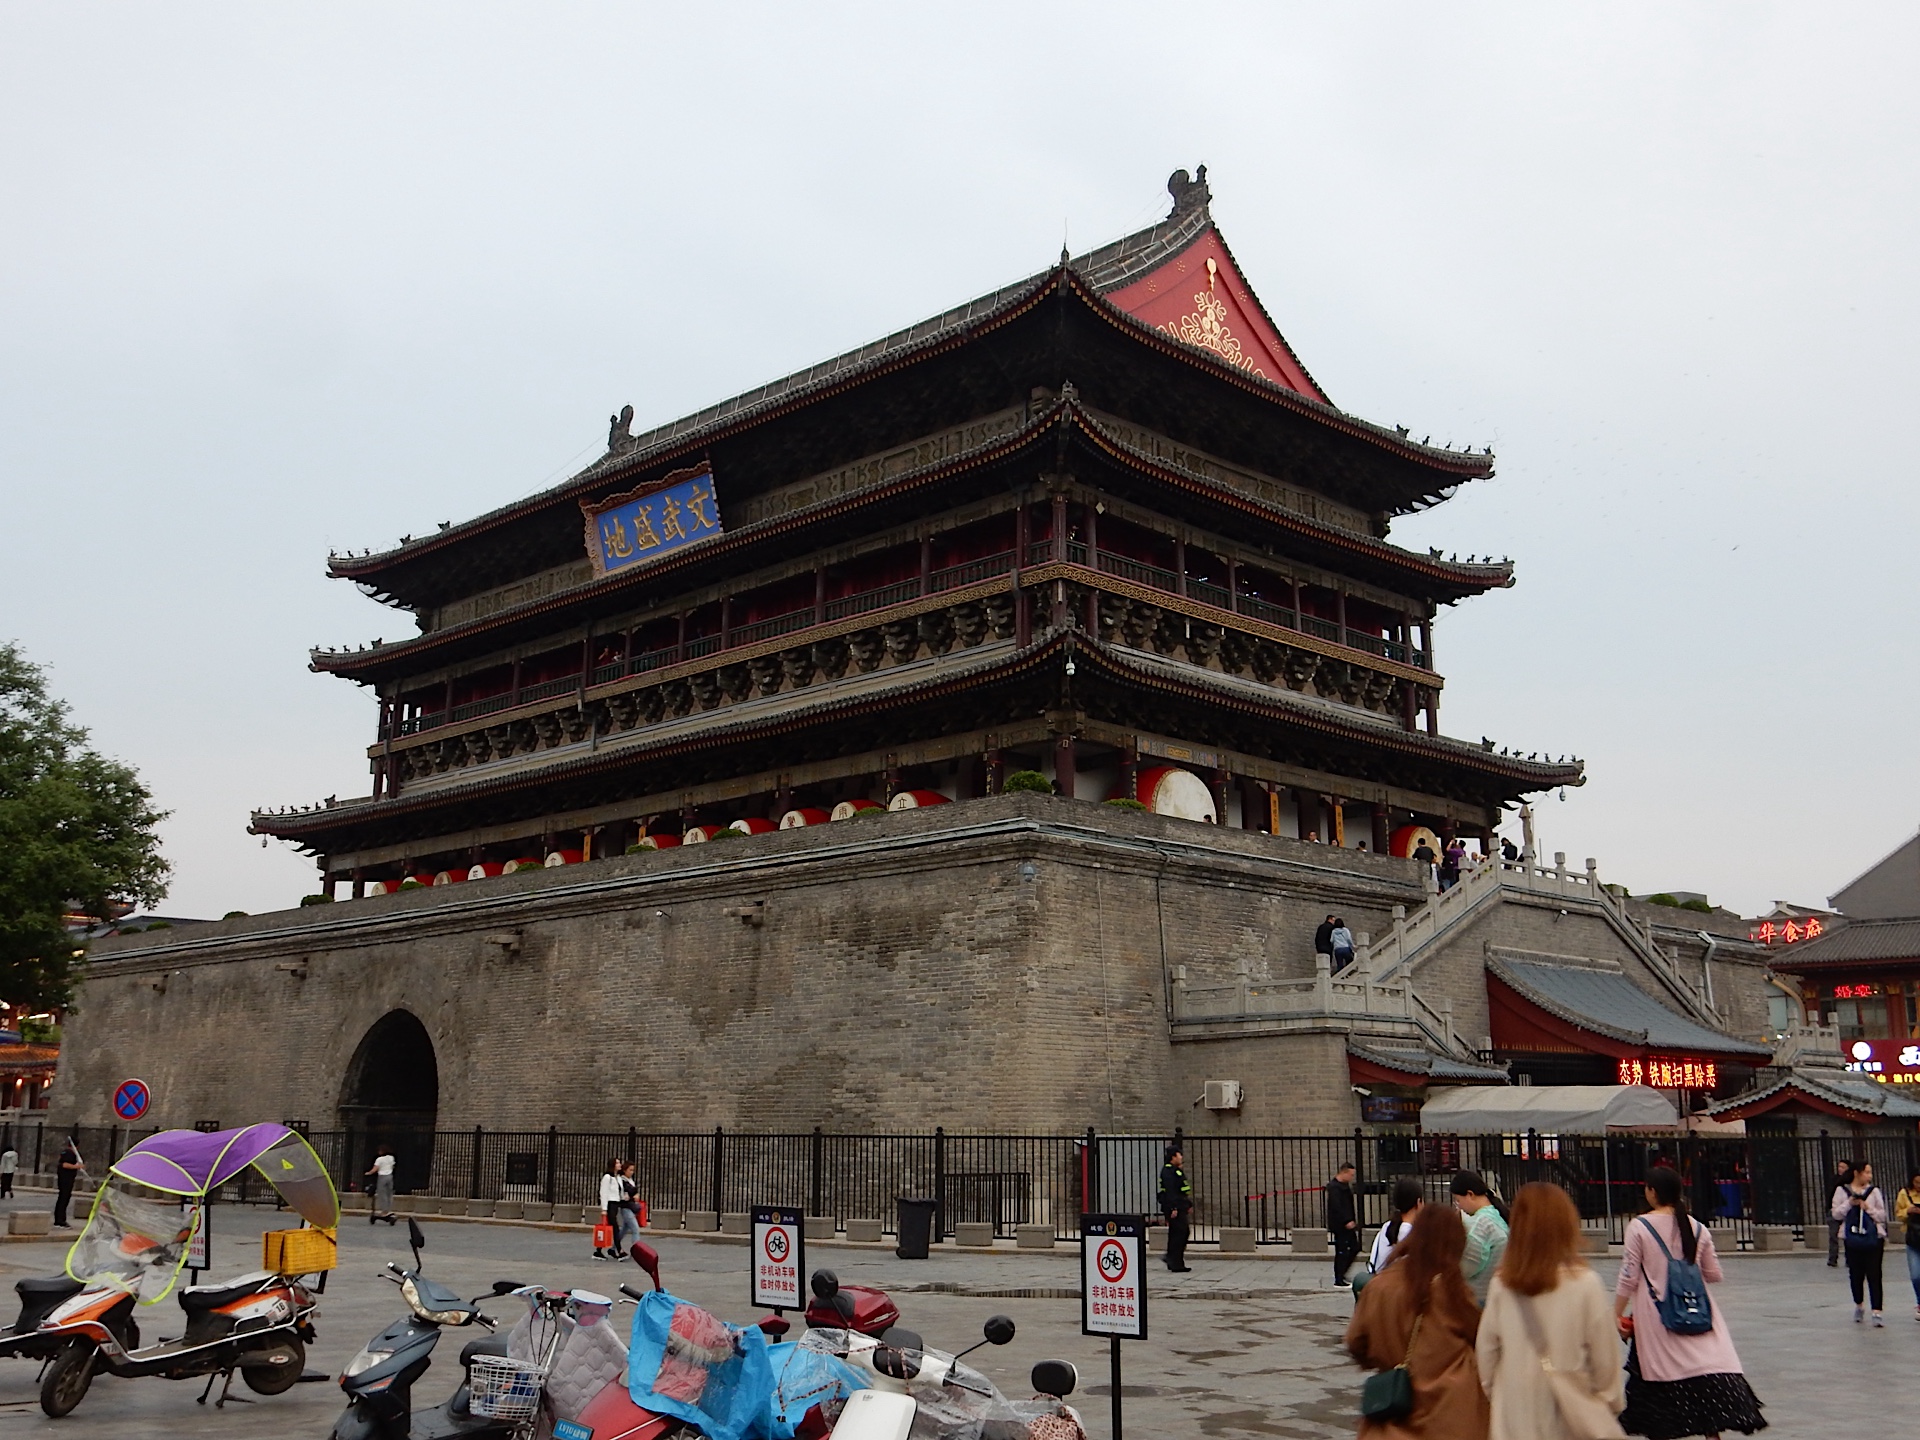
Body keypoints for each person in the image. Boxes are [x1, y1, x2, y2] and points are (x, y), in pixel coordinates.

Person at [1614, 1165, 1766, 1439]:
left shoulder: (1640, 1226)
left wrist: (1616, 1312)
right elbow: (1714, 1274)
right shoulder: (1698, 1228)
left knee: (1659, 1376)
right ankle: (1712, 1433)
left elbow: (1629, 1276)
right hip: (1698, 1311)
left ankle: (1663, 1430)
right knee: (1705, 1371)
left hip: (1657, 1314)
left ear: (1652, 1192)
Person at [1477, 1182, 1623, 1440]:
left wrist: (1504, 1401)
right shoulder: (1586, 1284)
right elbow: (1606, 1367)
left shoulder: (1502, 1286)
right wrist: (1600, 1408)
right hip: (1571, 1423)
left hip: (1515, 1422)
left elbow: (1486, 1360)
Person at [1345, 1202, 1491, 1439]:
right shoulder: (1451, 1291)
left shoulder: (1379, 1287)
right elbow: (1480, 1337)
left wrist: (1389, 1357)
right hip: (1451, 1414)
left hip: (1393, 1416)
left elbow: (1356, 1342)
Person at [1833, 1159, 1887, 1325]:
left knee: (1874, 1274)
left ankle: (1877, 1311)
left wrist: (1868, 1208)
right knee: (1856, 1274)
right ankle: (1859, 1304)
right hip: (1852, 1238)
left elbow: (1882, 1216)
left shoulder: (1874, 1191)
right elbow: (1836, 1214)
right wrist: (1850, 1203)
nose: (1869, 1176)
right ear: (1857, 1173)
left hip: (1873, 1237)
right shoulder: (1842, 1190)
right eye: (1867, 1172)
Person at [1452, 1170, 1510, 1305]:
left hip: (1479, 1296)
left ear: (1470, 1194)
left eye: (1458, 1200)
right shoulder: (1498, 1215)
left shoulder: (1479, 1224)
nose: (1459, 1206)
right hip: (1499, 1293)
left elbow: (1468, 1267)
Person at [1370, 1177, 1423, 1273]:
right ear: (1418, 1202)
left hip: (1379, 1277)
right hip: (1392, 1279)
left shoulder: (1388, 1225)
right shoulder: (1407, 1232)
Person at [1159, 1145, 1194, 1272]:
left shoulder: (1175, 1170)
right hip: (1174, 1207)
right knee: (1180, 1233)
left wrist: (1188, 1204)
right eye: (1179, 1155)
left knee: (1179, 1233)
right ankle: (1174, 1260)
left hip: (1180, 1206)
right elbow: (1170, 1192)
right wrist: (1173, 1207)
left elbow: (1181, 1191)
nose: (1181, 1157)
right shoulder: (1168, 1171)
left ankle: (1174, 1260)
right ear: (1173, 1157)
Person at [1327, 1161, 1362, 1288]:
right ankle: (1339, 1278)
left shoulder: (1344, 1186)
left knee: (1355, 1247)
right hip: (1340, 1225)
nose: (1352, 1178)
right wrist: (1346, 1220)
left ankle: (1342, 1273)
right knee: (1342, 1250)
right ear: (1344, 1172)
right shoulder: (1334, 1187)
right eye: (1351, 1175)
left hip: (1348, 1222)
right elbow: (1336, 1207)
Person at [1893, 1169, 1920, 1321]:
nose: (1919, 1185)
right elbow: (1898, 1214)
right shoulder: (1904, 1194)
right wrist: (1908, 1211)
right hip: (1913, 1239)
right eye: (1916, 1182)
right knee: (1916, 1275)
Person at [1825, 1159, 1854, 1267]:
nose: (1840, 1169)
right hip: (1834, 1209)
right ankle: (1833, 1258)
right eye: (1839, 1166)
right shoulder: (1834, 1180)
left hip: (1847, 1210)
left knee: (1848, 1235)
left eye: (1843, 1167)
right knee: (1833, 1235)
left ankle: (1849, 1258)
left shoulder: (1851, 1182)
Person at [597, 1159, 627, 1260]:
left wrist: (623, 1197)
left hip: (615, 1204)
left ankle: (598, 1251)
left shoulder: (618, 1177)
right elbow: (603, 1193)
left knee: (610, 1228)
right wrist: (604, 1209)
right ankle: (619, 1250)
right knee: (615, 1227)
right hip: (610, 1204)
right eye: (617, 1163)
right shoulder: (607, 1177)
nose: (620, 1164)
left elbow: (619, 1191)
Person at [52, 1136, 83, 1228]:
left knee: (64, 1198)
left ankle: (60, 1219)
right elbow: (64, 1164)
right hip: (65, 1179)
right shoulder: (69, 1153)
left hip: (66, 1178)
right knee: (63, 1198)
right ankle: (60, 1220)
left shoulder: (67, 1152)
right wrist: (77, 1166)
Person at [365, 1146, 397, 1226]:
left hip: (382, 1177)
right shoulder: (391, 1158)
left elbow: (375, 1168)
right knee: (389, 1194)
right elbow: (392, 1166)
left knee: (382, 1194)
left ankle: (384, 1211)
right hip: (390, 1176)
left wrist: (368, 1173)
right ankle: (388, 1209)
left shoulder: (379, 1159)